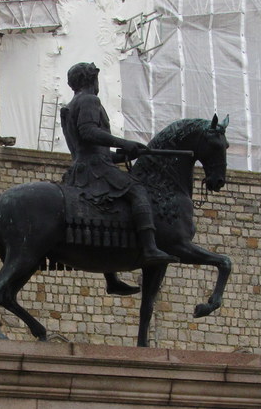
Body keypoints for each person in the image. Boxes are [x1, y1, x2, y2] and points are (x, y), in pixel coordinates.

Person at [60, 62, 178, 289]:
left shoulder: (70, 105)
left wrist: (122, 155)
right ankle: (150, 247)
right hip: (94, 170)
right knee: (138, 192)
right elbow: (89, 132)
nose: (97, 85)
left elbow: (89, 147)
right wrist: (125, 142)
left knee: (109, 211)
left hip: (84, 166)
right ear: (90, 80)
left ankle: (111, 278)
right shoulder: (88, 100)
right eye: (96, 79)